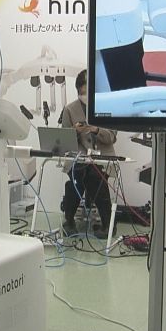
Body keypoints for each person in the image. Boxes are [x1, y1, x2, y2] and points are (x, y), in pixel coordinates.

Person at [60, 69, 118, 238]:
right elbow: (63, 141)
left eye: (87, 92)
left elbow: (111, 137)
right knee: (77, 176)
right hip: (78, 158)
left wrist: (95, 129)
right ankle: (69, 220)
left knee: (94, 176)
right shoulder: (70, 109)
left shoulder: (107, 106)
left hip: (101, 159)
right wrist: (75, 131)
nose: (84, 96)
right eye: (81, 93)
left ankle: (108, 224)